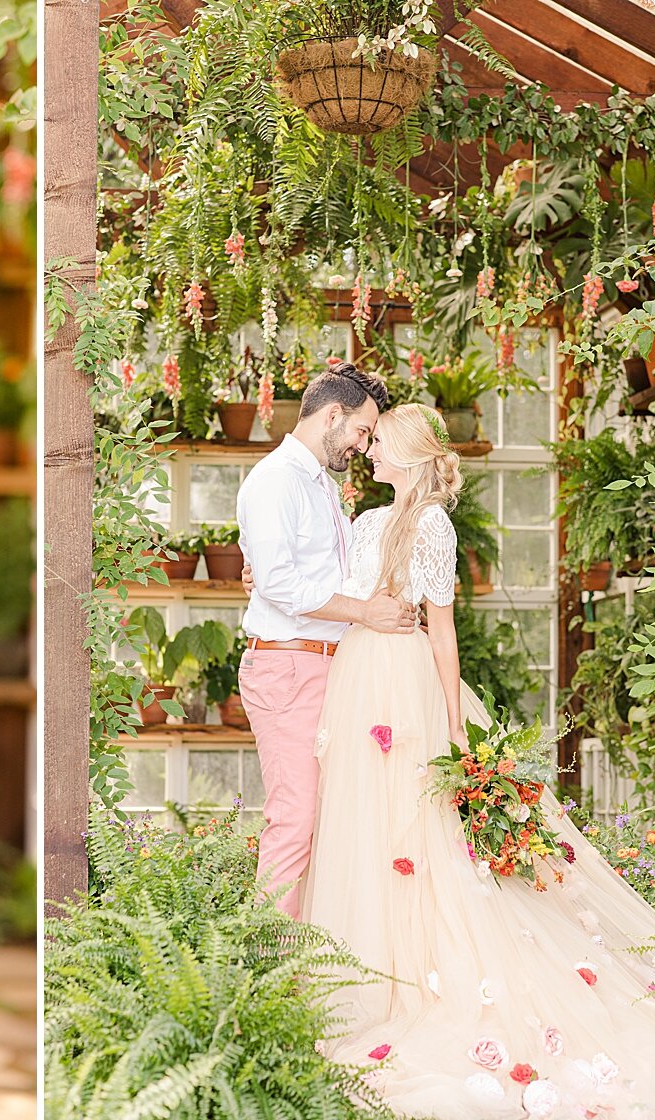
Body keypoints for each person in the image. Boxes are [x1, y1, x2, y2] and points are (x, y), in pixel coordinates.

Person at [248, 403, 655, 1119]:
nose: (368, 453)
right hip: (355, 683)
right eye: (366, 439)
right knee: (363, 832)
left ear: (404, 455)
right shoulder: (369, 521)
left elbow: (442, 633)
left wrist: (448, 722)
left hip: (405, 686)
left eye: (378, 444)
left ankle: (432, 977)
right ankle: (359, 978)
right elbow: (333, 587)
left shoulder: (431, 526)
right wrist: (267, 574)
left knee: (421, 833)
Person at [234, 361, 414, 919]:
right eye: (363, 430)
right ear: (333, 415)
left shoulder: (319, 487)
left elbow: (299, 577)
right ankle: (271, 976)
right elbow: (283, 583)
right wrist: (364, 614)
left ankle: (307, 961)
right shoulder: (276, 481)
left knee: (331, 820)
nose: (363, 445)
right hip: (290, 670)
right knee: (295, 819)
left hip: (324, 669)